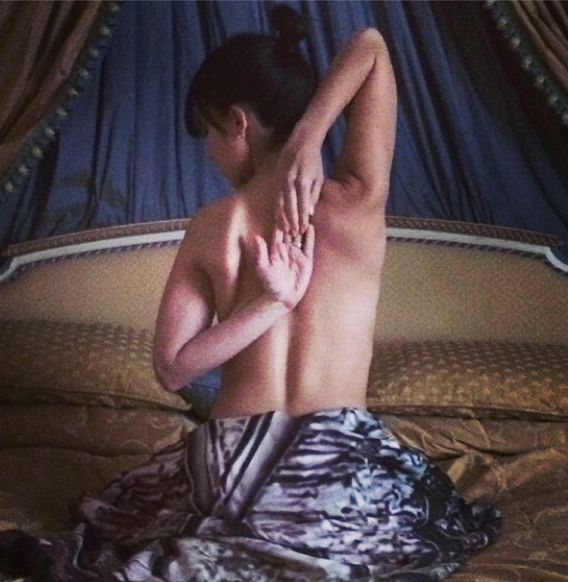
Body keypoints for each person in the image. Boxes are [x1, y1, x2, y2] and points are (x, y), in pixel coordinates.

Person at [0, 6, 500, 581]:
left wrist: (266, 305)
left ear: (239, 122)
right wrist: (312, 139)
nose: (209, 153)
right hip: (333, 465)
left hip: (229, 464)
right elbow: (371, 45)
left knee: (139, 512)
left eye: (211, 133)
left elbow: (172, 370)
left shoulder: (213, 224)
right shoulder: (357, 200)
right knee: (425, 512)